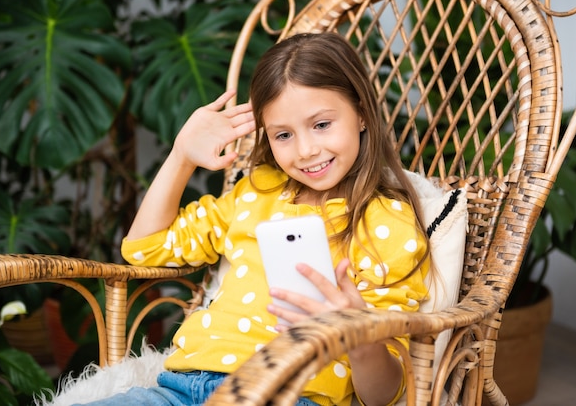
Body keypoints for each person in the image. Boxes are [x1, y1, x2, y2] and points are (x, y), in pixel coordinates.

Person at [88, 32, 430, 406]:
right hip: (179, 391)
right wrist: (181, 155)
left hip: (289, 397)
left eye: (321, 125)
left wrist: (362, 336)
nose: (305, 151)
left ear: (362, 113)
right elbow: (144, 248)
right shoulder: (256, 190)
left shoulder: (389, 224)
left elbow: (383, 396)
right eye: (283, 134)